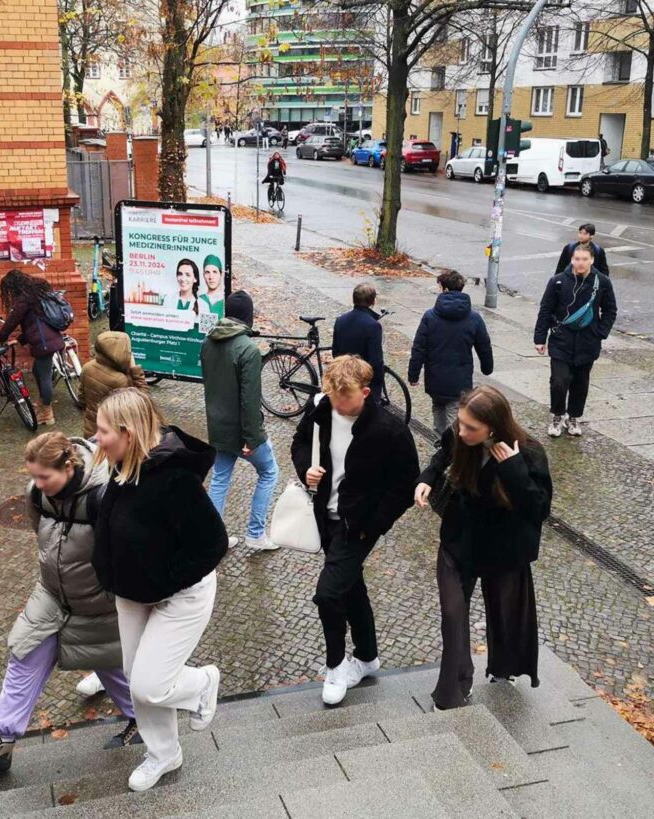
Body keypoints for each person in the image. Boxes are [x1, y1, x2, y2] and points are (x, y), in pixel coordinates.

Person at [0, 432, 139, 780]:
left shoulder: (103, 497)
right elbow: (42, 531)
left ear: (69, 466)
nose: (37, 484)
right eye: (33, 476)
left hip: (98, 604)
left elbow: (126, 552)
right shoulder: (37, 493)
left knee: (107, 662)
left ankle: (143, 720)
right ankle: (3, 742)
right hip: (52, 595)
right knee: (24, 654)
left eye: (44, 477)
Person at [92, 388, 227, 792]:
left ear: (127, 434)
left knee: (151, 684)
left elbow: (213, 544)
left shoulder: (174, 480)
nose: (95, 438)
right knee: (138, 681)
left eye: (102, 431)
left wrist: (165, 579)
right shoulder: (119, 466)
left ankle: (203, 683)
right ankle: (164, 753)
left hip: (180, 594)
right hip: (132, 593)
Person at [290, 356, 418, 706]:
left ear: (364, 392)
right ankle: (368, 656)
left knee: (328, 594)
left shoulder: (390, 430)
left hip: (357, 526)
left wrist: (374, 525)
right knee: (349, 586)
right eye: (331, 396)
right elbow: (299, 444)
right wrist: (307, 470)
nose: (337, 403)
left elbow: (405, 484)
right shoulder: (321, 408)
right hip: (325, 517)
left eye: (343, 398)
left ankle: (336, 666)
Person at [415, 386, 552, 711]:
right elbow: (441, 457)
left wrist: (513, 469)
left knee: (506, 611)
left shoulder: (530, 453)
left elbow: (539, 508)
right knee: (452, 614)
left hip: (503, 549)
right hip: (459, 541)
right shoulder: (460, 434)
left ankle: (506, 666)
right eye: (461, 424)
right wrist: (426, 478)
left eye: (470, 428)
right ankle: (452, 690)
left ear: (493, 427)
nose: (462, 432)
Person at [201, 291, 280, 551]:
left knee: (220, 478)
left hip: (218, 427)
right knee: (269, 472)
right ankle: (256, 534)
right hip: (241, 432)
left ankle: (213, 539)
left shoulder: (207, 343)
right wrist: (252, 438)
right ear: (248, 317)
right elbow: (249, 400)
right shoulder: (248, 349)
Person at [534, 243, 617, 438]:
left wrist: (600, 332)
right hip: (561, 340)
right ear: (572, 259)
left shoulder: (602, 282)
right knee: (559, 381)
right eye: (577, 259)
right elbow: (545, 310)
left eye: (584, 259)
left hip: (588, 342)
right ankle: (557, 415)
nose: (580, 263)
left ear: (592, 260)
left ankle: (573, 417)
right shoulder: (557, 282)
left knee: (581, 383)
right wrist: (540, 338)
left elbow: (610, 310)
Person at [408, 270, 494, 443]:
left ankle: (441, 443)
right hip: (460, 379)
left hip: (435, 377)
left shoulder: (430, 317)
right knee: (455, 414)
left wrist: (413, 374)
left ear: (443, 288)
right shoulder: (474, 318)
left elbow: (419, 348)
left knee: (438, 406)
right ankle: (453, 451)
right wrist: (487, 367)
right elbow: (484, 346)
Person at [0, 268, 66, 426]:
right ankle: (43, 404)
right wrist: (20, 339)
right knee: (38, 370)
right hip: (49, 338)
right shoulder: (35, 295)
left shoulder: (24, 299)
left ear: (13, 286)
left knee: (44, 375)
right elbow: (34, 324)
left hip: (44, 343)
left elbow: (13, 319)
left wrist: (2, 336)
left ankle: (47, 413)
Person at [80, 331, 149, 439]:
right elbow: (143, 401)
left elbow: (82, 399)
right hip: (113, 436)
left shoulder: (87, 368)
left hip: (91, 431)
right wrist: (135, 370)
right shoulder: (120, 380)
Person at [331, 284, 385, 401]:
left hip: (343, 374)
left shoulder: (340, 320)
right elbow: (375, 360)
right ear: (373, 302)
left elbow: (335, 351)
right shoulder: (373, 325)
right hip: (362, 378)